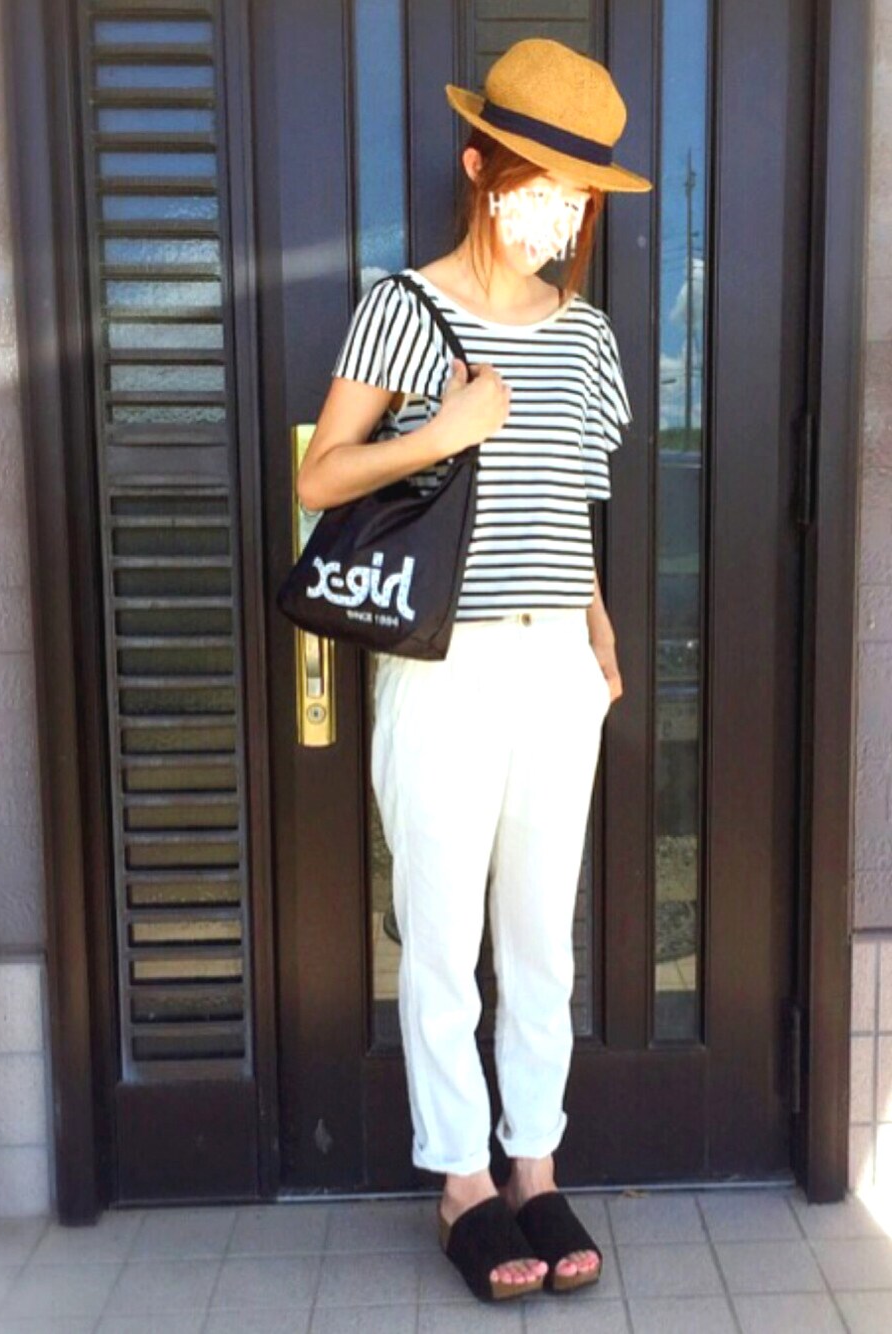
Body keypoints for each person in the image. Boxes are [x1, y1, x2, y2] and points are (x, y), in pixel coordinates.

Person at [297, 37, 652, 1305]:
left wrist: (598, 630)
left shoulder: (589, 334)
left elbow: (573, 506)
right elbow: (319, 475)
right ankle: (459, 1180)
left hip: (557, 661)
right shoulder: (405, 308)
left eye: (580, 193)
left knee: (541, 936)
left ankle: (534, 1162)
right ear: (477, 169)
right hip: (442, 663)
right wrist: (443, 429)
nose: (561, 213)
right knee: (442, 935)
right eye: (540, 183)